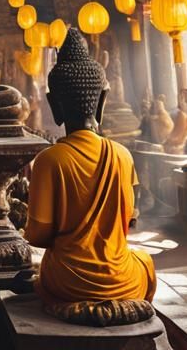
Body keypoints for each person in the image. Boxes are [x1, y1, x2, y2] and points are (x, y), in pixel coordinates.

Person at [24, 28, 155, 326]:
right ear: (102, 101)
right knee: (145, 262)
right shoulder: (122, 155)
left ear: (54, 105)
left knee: (38, 273)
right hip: (124, 281)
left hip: (67, 283)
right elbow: (127, 222)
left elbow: (38, 236)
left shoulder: (48, 160)